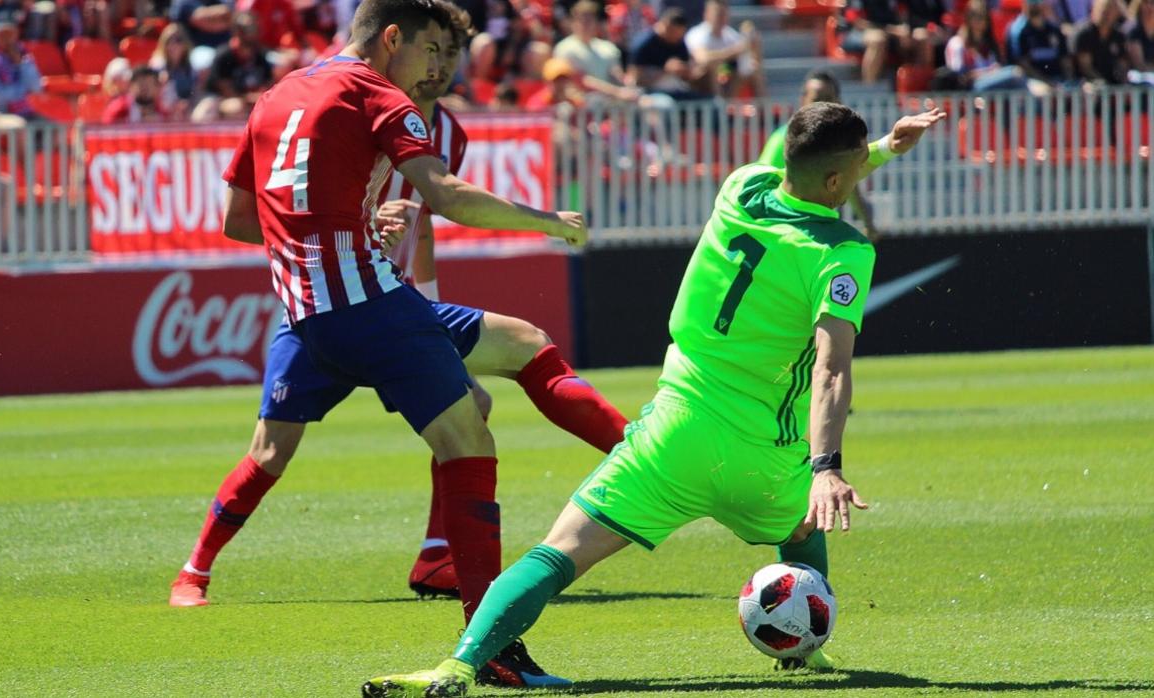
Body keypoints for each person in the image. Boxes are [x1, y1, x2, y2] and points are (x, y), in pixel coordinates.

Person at [363, 102, 948, 698]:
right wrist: (826, 468)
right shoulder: (845, 251)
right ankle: (804, 650)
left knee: (558, 552)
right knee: (801, 527)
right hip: (764, 456)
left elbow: (817, 177)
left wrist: (881, 150)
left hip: (673, 435)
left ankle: (457, 667)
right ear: (836, 181)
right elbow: (830, 370)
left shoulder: (743, 186)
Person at [169, 0, 613, 686]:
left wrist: (323, 235)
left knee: (521, 344)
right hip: (365, 306)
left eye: (447, 55)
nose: (435, 66)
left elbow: (236, 219)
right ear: (392, 38)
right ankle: (490, 643)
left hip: (321, 308)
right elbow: (453, 198)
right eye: (428, 49)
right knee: (467, 440)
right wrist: (549, 222)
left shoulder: (277, 95)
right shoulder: (376, 94)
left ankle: (631, 455)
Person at [758, 71, 879, 240]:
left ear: (839, 103)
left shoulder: (839, 145)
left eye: (829, 98)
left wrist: (868, 223)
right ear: (803, 101)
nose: (823, 105)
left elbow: (851, 187)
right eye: (817, 99)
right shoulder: (783, 139)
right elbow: (761, 186)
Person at [552, 1, 640, 103]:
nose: (585, 25)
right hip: (580, 104)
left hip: (609, 102)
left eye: (589, 20)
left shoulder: (608, 48)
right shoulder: (564, 48)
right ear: (573, 23)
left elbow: (617, 75)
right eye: (582, 20)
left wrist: (629, 84)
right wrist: (617, 92)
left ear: (596, 23)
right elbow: (581, 80)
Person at [685, 0, 764, 97]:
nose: (721, 18)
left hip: (726, 75)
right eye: (718, 14)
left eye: (724, 14)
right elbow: (703, 59)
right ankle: (719, 104)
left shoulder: (730, 35)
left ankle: (763, 106)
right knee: (713, 66)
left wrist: (755, 47)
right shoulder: (697, 34)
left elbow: (748, 57)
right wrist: (732, 52)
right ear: (707, 14)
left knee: (752, 69)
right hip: (699, 79)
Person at [945, 0, 1029, 91]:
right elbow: (959, 76)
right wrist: (989, 72)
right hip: (971, 89)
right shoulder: (957, 43)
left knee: (1029, 85)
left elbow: (999, 65)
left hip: (991, 88)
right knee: (1014, 74)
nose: (978, 21)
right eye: (974, 16)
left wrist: (995, 71)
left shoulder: (990, 44)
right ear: (967, 18)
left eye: (982, 17)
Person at [628, 7, 706, 99]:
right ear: (665, 26)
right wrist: (665, 71)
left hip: (677, 91)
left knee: (704, 99)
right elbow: (635, 80)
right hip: (649, 95)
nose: (676, 38)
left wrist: (688, 72)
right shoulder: (644, 43)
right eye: (673, 32)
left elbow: (688, 76)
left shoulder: (679, 43)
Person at [1014, 0, 1075, 86]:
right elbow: (1024, 65)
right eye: (1031, 5)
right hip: (1035, 81)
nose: (1034, 8)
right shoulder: (1021, 33)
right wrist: (1047, 82)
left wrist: (1068, 80)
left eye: (1036, 4)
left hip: (1058, 79)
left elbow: (1065, 60)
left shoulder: (1055, 30)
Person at [1074, 0, 1130, 84]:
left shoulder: (1119, 36)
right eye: (1104, 10)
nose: (1107, 14)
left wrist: (1124, 81)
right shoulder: (1085, 34)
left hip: (1114, 85)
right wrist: (1102, 82)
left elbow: (1122, 64)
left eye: (1110, 10)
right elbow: (1086, 67)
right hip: (1089, 84)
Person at [101, 65, 171, 123]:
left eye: (149, 84)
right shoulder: (118, 109)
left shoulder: (163, 112)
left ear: (157, 87)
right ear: (130, 86)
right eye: (140, 84)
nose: (145, 88)